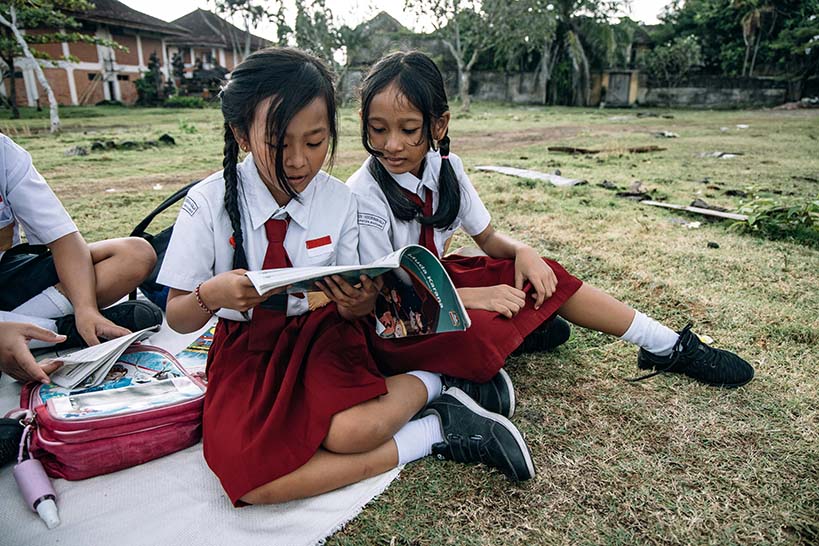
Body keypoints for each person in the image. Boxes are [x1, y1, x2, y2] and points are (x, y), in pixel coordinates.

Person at [157, 47, 535, 507]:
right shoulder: (206, 203)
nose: (298, 161)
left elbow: (360, 299)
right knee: (248, 481)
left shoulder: (340, 200)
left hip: (322, 335)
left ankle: (440, 385)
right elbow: (177, 316)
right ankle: (437, 428)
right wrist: (211, 294)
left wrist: (357, 302)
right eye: (279, 144)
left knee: (351, 432)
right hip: (247, 349)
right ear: (241, 134)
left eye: (315, 142)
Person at [348, 51, 754, 390]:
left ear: (439, 125)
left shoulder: (447, 168)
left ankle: (665, 345)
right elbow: (383, 297)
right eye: (378, 129)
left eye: (409, 129)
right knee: (477, 336)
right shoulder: (363, 193)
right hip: (399, 321)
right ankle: (516, 333)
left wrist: (525, 251)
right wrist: (473, 298)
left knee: (543, 274)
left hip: (441, 289)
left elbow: (488, 238)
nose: (392, 144)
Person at [0, 134, 162, 354]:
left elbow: (63, 237)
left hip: (6, 271)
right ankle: (61, 331)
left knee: (135, 254)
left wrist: (86, 308)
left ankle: (62, 326)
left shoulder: (5, 152)